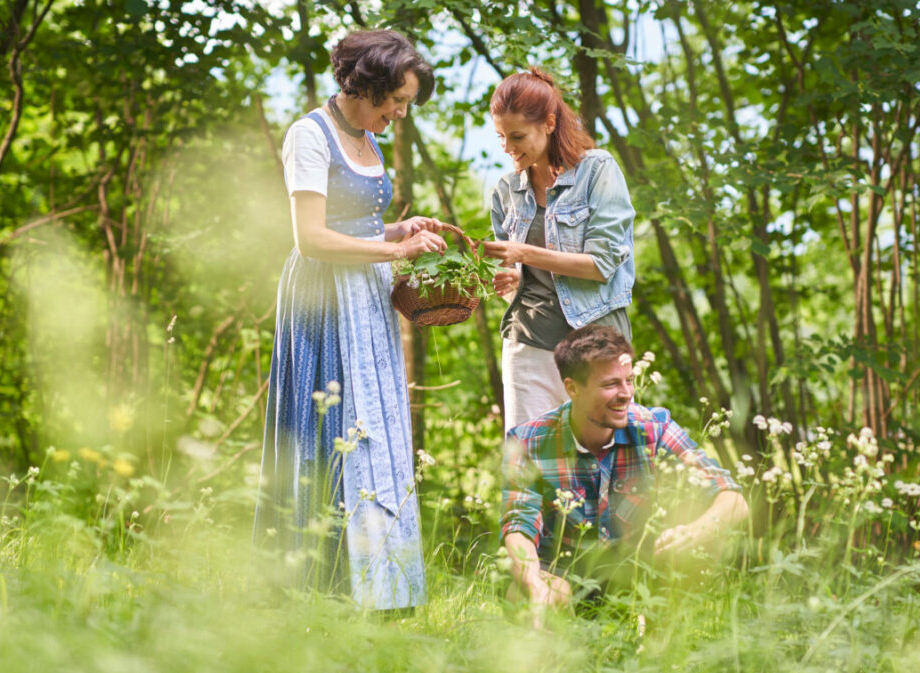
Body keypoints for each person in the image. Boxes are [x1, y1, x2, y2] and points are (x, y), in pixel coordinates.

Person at [253, 29, 446, 611]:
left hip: (366, 295)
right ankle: (320, 588)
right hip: (322, 298)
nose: (400, 113)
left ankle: (385, 589)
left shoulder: (368, 139)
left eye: (406, 103)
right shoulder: (309, 137)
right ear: (366, 84)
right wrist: (395, 254)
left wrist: (398, 231)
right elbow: (311, 240)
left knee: (376, 429)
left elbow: (357, 228)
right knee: (331, 430)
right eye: (397, 100)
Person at [500, 325, 750, 609]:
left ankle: (655, 649)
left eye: (629, 380)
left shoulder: (654, 429)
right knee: (518, 595)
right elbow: (518, 527)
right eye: (610, 385)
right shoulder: (528, 442)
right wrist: (536, 589)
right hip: (564, 575)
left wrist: (697, 531)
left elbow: (733, 498)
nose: (626, 393)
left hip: (638, 578)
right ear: (572, 388)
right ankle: (556, 645)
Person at [483, 68, 636, 432]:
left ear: (549, 123)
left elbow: (601, 266)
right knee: (532, 469)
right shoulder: (506, 191)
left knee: (607, 463)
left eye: (517, 136)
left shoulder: (597, 170)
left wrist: (522, 254)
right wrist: (507, 280)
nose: (507, 147)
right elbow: (517, 274)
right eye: (500, 136)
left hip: (596, 346)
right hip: (528, 344)